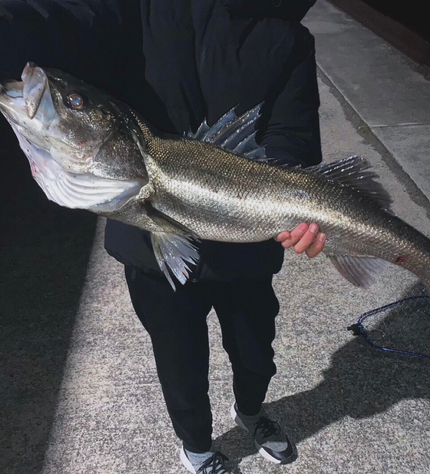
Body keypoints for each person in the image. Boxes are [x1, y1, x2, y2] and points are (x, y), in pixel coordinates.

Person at [1, 1, 324, 472]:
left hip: (246, 248)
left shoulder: (289, 37)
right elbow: (60, 23)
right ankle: (196, 447)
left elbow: (292, 137)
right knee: (181, 366)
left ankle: (251, 412)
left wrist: (301, 220)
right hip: (151, 249)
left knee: (256, 355)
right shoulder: (135, 10)